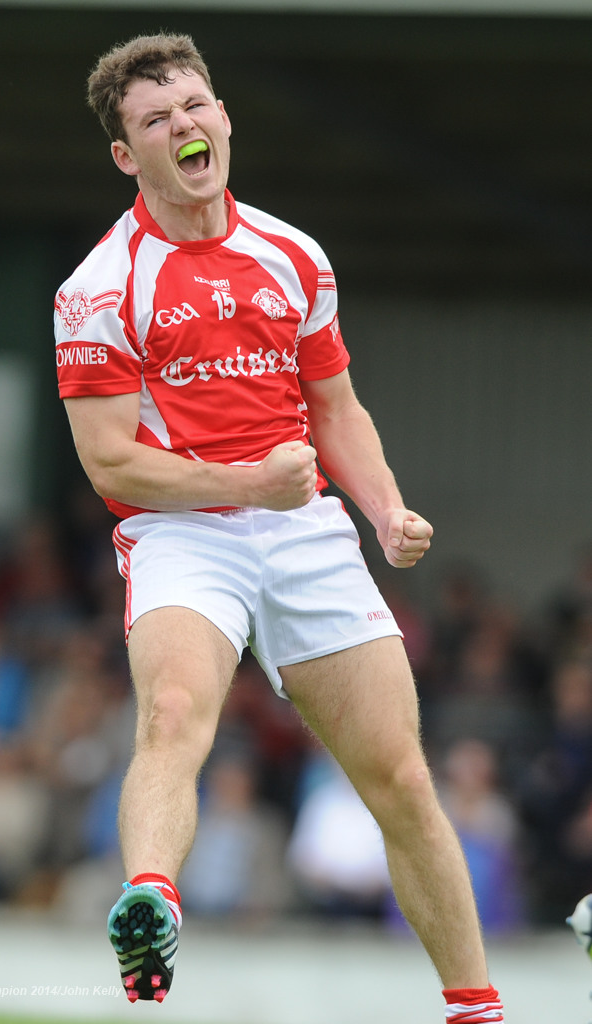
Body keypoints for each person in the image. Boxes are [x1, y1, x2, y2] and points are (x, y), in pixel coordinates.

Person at [53, 32, 504, 1022]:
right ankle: (152, 902)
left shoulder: (292, 252)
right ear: (127, 155)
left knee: (400, 777)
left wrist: (386, 510)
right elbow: (110, 460)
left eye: (193, 106)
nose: (183, 125)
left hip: (303, 530)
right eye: (154, 119)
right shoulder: (98, 286)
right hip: (185, 532)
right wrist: (245, 481)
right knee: (174, 715)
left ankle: (476, 1006)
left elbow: (336, 408)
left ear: (221, 117)